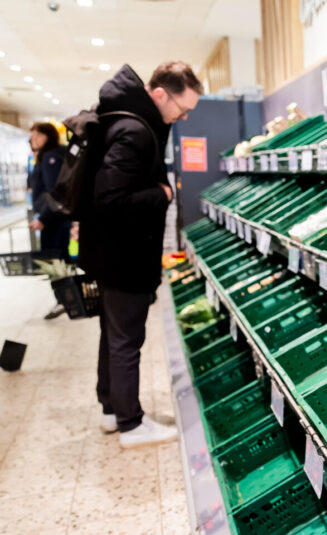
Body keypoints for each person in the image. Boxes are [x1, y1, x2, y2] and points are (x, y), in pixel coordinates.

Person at [79, 62, 202, 448]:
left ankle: (111, 410)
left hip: (114, 254)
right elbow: (111, 199)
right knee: (126, 340)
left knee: (113, 335)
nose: (184, 116)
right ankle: (132, 424)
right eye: (182, 108)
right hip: (124, 256)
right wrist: (162, 194)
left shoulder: (128, 120)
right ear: (161, 93)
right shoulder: (134, 130)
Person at [28, 122, 71, 320]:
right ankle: (68, 298)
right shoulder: (50, 155)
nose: (33, 140)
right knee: (59, 260)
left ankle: (65, 299)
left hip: (53, 219)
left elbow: (54, 190)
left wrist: (43, 218)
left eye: (37, 135)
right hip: (55, 217)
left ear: (47, 136)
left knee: (53, 261)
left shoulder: (51, 156)